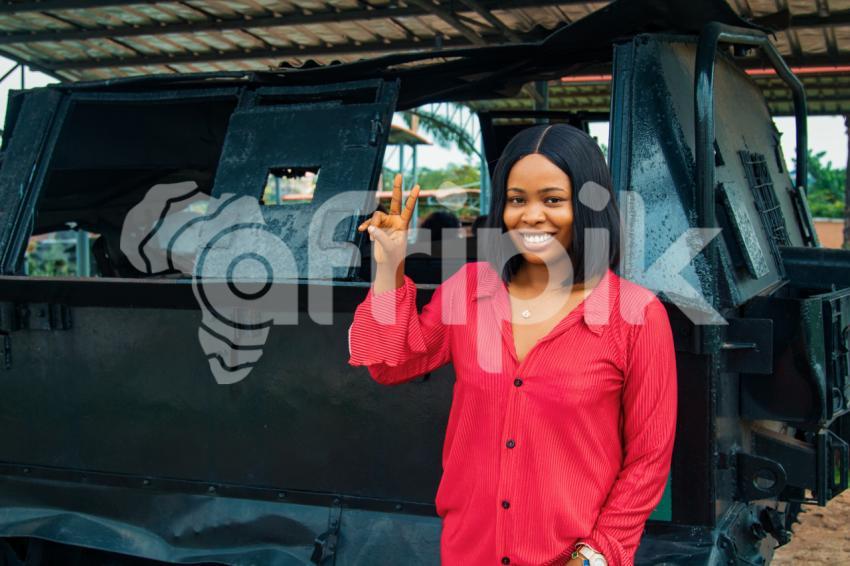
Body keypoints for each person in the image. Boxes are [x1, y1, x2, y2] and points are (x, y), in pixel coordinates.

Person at [348, 124, 677, 566]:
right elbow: (390, 364)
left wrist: (597, 554)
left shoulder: (635, 316)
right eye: (517, 199)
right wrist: (388, 264)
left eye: (553, 200)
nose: (531, 215)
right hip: (470, 550)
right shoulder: (469, 291)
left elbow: (649, 457)